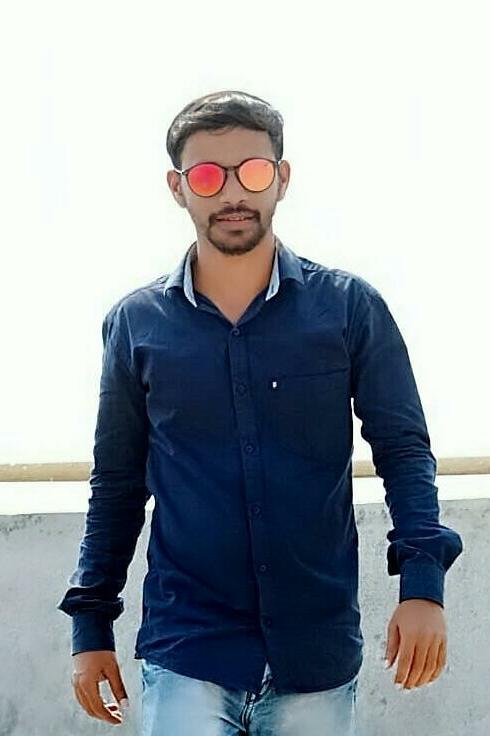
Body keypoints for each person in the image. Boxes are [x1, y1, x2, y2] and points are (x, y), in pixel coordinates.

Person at [57, 89, 464, 735]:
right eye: (207, 176)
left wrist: (422, 586)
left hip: (316, 649)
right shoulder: (136, 324)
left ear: (282, 177)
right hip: (188, 646)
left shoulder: (349, 308)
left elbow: (404, 450)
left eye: (251, 171)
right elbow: (117, 483)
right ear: (178, 188)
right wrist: (90, 624)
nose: (232, 194)